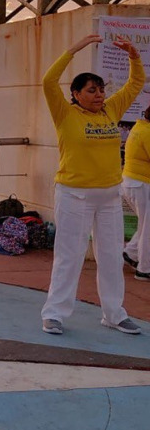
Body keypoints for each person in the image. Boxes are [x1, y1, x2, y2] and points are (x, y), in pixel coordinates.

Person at [41, 34, 144, 336]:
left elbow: (135, 84)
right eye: (91, 90)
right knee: (69, 255)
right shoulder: (65, 114)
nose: (99, 94)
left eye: (100, 89)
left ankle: (114, 314)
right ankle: (55, 314)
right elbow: (48, 81)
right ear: (75, 94)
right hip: (74, 195)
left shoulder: (112, 109)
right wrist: (74, 48)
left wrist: (134, 56)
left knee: (112, 256)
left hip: (110, 196)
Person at [121, 104, 150, 282]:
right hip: (143, 183)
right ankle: (145, 269)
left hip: (132, 181)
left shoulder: (139, 127)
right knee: (148, 227)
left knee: (146, 224)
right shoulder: (148, 132)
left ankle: (131, 253)